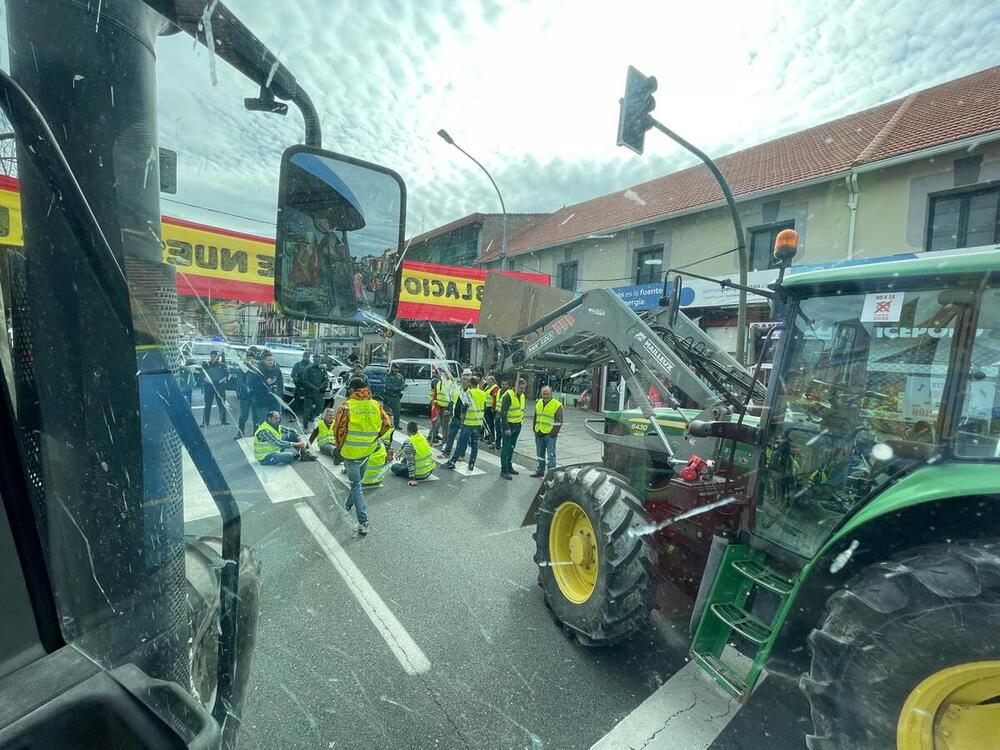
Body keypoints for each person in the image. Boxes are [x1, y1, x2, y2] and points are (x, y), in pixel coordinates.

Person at [334, 376, 393, 535]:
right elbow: (387, 424)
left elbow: (338, 430)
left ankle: (363, 521)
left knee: (356, 485)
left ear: (352, 390)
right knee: (357, 482)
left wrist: (339, 449)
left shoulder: (346, 407)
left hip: (351, 453)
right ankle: (348, 504)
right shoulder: (375, 404)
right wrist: (375, 437)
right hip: (368, 450)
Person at [444, 375, 487, 471]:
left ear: (470, 384)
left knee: (461, 442)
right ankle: (471, 464)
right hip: (478, 423)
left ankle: (453, 461)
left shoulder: (469, 393)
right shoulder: (482, 393)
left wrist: (462, 417)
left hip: (468, 423)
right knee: (474, 444)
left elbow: (464, 406)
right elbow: (485, 407)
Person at [253, 410, 318, 465]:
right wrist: (297, 444)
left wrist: (299, 440)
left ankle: (304, 454)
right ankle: (296, 455)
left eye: (278, 418)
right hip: (265, 457)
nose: (278, 420)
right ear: (269, 419)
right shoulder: (264, 431)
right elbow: (279, 443)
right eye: (275, 418)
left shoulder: (275, 425)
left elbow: (293, 431)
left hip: (275, 450)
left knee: (292, 435)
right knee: (289, 456)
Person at [530, 386, 563, 477]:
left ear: (551, 394)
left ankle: (551, 475)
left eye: (548, 394)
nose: (546, 396)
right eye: (544, 394)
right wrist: (534, 428)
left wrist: (553, 433)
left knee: (551, 456)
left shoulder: (557, 404)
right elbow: (536, 416)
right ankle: (540, 470)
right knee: (540, 454)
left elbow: (559, 421)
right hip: (539, 432)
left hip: (550, 435)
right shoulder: (539, 402)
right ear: (541, 394)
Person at [498, 377, 527, 480]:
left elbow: (520, 410)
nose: (522, 390)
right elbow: (503, 413)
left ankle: (509, 466)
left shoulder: (522, 396)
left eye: (524, 388)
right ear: (516, 386)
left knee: (511, 447)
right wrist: (506, 428)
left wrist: (520, 423)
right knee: (506, 448)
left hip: (517, 425)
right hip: (508, 425)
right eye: (521, 388)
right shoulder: (508, 395)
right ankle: (504, 469)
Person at [439, 370, 471, 457]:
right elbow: (453, 401)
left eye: (465, 380)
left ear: (469, 382)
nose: (462, 381)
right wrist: (448, 410)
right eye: (462, 379)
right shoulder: (458, 390)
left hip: (464, 419)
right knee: (450, 436)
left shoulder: (470, 392)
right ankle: (446, 452)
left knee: (463, 439)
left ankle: (461, 455)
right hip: (455, 417)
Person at [250, 350, 284, 427]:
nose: (271, 362)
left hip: (275, 399)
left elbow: (280, 384)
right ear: (264, 360)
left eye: (272, 360)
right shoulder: (257, 370)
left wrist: (279, 394)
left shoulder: (277, 370)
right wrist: (265, 383)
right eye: (268, 360)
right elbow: (252, 385)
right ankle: (262, 437)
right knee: (262, 422)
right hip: (262, 400)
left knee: (277, 421)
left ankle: (275, 437)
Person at [200, 350, 230, 427]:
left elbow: (227, 375)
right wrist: (211, 382)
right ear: (210, 356)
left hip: (220, 386)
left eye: (216, 356)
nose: (214, 357)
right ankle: (205, 422)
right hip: (209, 386)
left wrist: (220, 382)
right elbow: (202, 376)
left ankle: (223, 421)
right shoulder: (206, 364)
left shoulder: (222, 365)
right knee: (208, 404)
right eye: (213, 355)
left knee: (222, 404)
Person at [233, 348, 257, 437]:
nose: (250, 360)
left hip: (255, 395)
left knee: (256, 416)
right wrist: (247, 388)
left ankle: (256, 433)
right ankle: (240, 432)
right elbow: (239, 382)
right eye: (248, 358)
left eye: (252, 358)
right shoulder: (242, 368)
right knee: (244, 415)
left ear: (255, 359)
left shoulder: (257, 368)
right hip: (245, 395)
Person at [299, 354, 328, 427]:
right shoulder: (308, 368)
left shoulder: (323, 369)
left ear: (320, 359)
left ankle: (318, 427)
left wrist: (320, 387)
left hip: (319, 393)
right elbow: (305, 380)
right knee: (307, 411)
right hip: (309, 393)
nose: (317, 360)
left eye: (318, 358)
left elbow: (326, 379)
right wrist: (314, 387)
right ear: (313, 359)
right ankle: (305, 426)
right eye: (315, 358)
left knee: (320, 411)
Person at [429, 368, 454, 445]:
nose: (443, 375)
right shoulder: (439, 383)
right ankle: (433, 437)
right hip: (438, 407)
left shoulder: (451, 384)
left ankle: (445, 442)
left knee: (445, 426)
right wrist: (434, 404)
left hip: (446, 408)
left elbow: (452, 398)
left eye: (444, 374)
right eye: (443, 374)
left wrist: (449, 409)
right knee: (436, 423)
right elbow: (435, 395)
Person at [383, 362, 407, 429]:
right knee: (386, 412)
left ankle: (396, 425)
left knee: (397, 411)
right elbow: (388, 385)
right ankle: (386, 424)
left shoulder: (400, 376)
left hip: (396, 396)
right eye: (395, 368)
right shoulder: (388, 376)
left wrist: (399, 388)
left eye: (397, 368)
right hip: (388, 396)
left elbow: (403, 384)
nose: (396, 370)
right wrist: (395, 388)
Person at [290, 350, 311, 418]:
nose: (307, 358)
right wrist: (296, 380)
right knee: (297, 399)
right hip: (299, 385)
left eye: (308, 356)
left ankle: (307, 415)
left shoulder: (311, 365)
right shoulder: (298, 364)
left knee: (308, 401)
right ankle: (294, 415)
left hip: (308, 386)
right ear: (303, 356)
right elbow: (292, 374)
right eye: (305, 356)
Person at [482, 375, 500, 445]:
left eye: (488, 380)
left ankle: (492, 437)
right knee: (487, 423)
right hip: (486, 407)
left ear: (491, 381)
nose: (486, 381)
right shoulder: (487, 387)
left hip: (491, 408)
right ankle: (488, 436)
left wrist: (493, 408)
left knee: (491, 423)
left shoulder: (495, 388)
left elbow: (495, 398)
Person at [494, 377, 509, 449]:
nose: (504, 385)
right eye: (503, 384)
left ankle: (503, 444)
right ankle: (497, 444)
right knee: (497, 429)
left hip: (504, 414)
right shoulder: (499, 391)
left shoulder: (508, 393)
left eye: (506, 384)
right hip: (498, 413)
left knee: (502, 430)